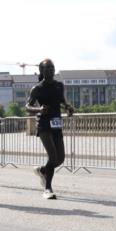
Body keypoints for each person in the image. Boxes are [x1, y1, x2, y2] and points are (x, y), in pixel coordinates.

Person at [26, 58, 75, 199]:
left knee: (60, 159)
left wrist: (68, 107)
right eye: (47, 68)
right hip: (43, 125)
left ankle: (42, 170)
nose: (51, 71)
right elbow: (27, 107)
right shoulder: (37, 88)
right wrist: (39, 109)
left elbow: (62, 101)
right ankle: (47, 189)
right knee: (52, 156)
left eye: (52, 68)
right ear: (42, 71)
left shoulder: (59, 85)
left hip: (56, 123)